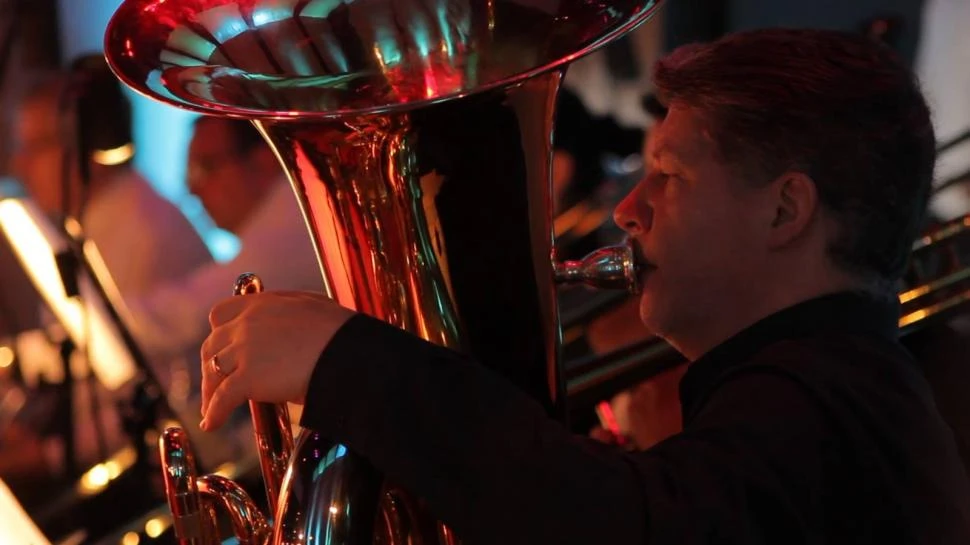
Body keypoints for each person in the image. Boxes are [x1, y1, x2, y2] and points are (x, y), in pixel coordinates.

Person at [197, 29, 970, 543]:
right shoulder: (830, 395)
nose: (629, 212)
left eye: (669, 176)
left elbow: (613, 528)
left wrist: (347, 361)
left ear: (785, 208)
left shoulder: (827, 409)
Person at [125, 117, 321, 393]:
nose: (193, 190)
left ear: (262, 163)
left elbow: (184, 316)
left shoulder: (289, 224)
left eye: (205, 167)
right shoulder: (284, 217)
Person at [10, 55, 212, 296]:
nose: (20, 165)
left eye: (37, 146)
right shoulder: (100, 220)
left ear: (89, 142)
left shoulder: (139, 235)